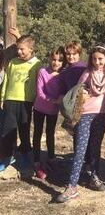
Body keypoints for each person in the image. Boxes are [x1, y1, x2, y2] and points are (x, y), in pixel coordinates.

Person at [56, 44, 105, 203]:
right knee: (80, 149)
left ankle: (93, 176)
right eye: (94, 58)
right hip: (85, 114)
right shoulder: (87, 72)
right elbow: (77, 90)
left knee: (95, 148)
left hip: (101, 115)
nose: (97, 62)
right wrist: (83, 93)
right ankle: (72, 185)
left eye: (100, 59)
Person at [0, 35, 42, 172]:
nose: (19, 52)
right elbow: (6, 80)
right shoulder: (13, 62)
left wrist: (37, 100)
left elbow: (39, 83)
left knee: (24, 130)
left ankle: (24, 155)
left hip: (26, 102)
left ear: (31, 49)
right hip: (10, 100)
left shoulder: (37, 63)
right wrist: (2, 98)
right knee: (8, 130)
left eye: (22, 49)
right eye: (18, 49)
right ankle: (7, 156)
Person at [33, 46, 66, 179]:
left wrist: (62, 98)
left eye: (59, 60)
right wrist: (53, 100)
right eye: (53, 59)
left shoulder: (63, 75)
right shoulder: (42, 72)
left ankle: (51, 158)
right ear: (50, 59)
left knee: (50, 133)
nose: (56, 62)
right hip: (39, 108)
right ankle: (36, 161)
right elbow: (40, 92)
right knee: (37, 133)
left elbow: (65, 90)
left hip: (53, 111)